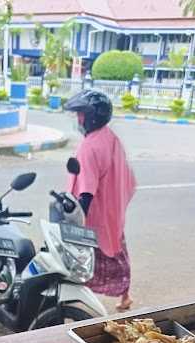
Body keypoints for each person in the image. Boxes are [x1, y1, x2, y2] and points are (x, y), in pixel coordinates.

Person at [64, 90, 136, 312]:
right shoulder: (110, 137)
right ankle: (125, 296)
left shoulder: (89, 147)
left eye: (81, 114)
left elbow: (86, 191)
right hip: (112, 210)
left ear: (91, 116)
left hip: (96, 213)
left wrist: (78, 218)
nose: (78, 119)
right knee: (117, 253)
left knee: (80, 258)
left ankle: (74, 299)